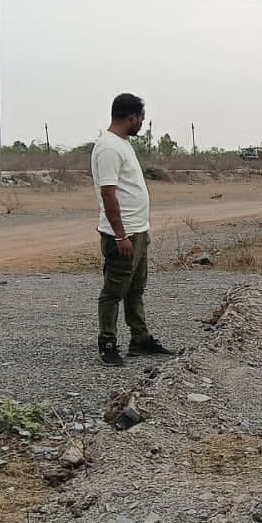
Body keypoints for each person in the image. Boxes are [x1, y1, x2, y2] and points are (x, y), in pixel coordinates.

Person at [92, 92, 174, 366]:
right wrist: (120, 235)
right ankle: (107, 342)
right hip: (123, 235)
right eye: (141, 118)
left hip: (138, 231)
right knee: (114, 290)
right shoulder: (108, 148)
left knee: (136, 288)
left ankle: (140, 339)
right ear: (131, 117)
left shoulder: (123, 144)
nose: (142, 123)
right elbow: (108, 194)